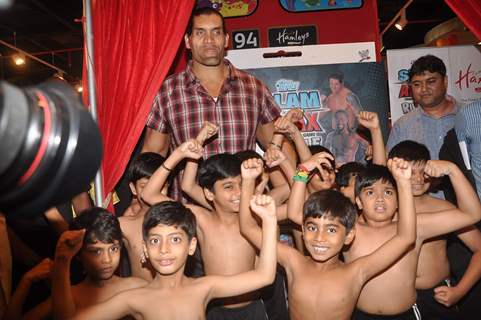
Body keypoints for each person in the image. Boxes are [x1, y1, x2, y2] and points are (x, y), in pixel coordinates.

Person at [241, 155, 416, 320]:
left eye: (331, 230)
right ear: (302, 229)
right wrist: (248, 181)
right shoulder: (294, 262)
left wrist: (403, 183)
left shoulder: (356, 272)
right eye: (312, 227)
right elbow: (248, 228)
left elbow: (406, 237)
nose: (320, 237)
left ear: (349, 236)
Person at [142, 7, 283, 199]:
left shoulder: (254, 88)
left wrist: (303, 184)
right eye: (200, 33)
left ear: (225, 40)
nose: (209, 40)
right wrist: (141, 203)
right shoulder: (169, 91)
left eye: (216, 32)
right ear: (187, 41)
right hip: (188, 214)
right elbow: (152, 154)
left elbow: (275, 147)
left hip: (241, 208)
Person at [69, 200, 277, 320]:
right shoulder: (134, 298)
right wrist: (62, 262)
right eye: (155, 241)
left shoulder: (204, 287)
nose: (164, 249)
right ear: (145, 249)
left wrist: (268, 221)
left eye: (175, 239)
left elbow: (265, 276)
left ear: (191, 246)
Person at [142, 145, 274, 319]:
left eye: (241, 184)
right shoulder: (200, 219)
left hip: (252, 308)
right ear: (209, 194)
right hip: (215, 310)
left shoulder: (256, 217)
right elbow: (149, 194)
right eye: (228, 187)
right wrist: (178, 154)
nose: (238, 192)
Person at [341, 160, 481, 319]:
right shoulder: (350, 231)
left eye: (388, 192)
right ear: (359, 201)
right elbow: (307, 226)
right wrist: (304, 175)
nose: (380, 198)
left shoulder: (414, 227)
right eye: (370, 192)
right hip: (359, 315)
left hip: (406, 315)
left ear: (398, 201)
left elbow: (472, 214)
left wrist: (453, 170)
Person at [388, 140, 481, 319]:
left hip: (436, 295)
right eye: (410, 172)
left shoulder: (443, 208)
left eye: (422, 172)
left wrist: (459, 291)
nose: (416, 179)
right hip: (395, 298)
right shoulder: (384, 209)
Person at [4, 207, 147, 320]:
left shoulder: (136, 287)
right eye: (96, 251)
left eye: (113, 249)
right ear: (79, 254)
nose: (107, 259)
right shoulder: (68, 296)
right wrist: (26, 281)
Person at [386, 54, 460, 160]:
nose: (424, 89)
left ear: (445, 81)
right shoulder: (402, 126)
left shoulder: (470, 116)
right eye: (417, 84)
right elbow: (391, 165)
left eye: (431, 82)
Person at [119, 152, 168, 281]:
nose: (152, 192)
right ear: (133, 189)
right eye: (145, 186)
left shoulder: (180, 219)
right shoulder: (125, 224)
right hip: (139, 297)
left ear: (168, 186)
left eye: (161, 186)